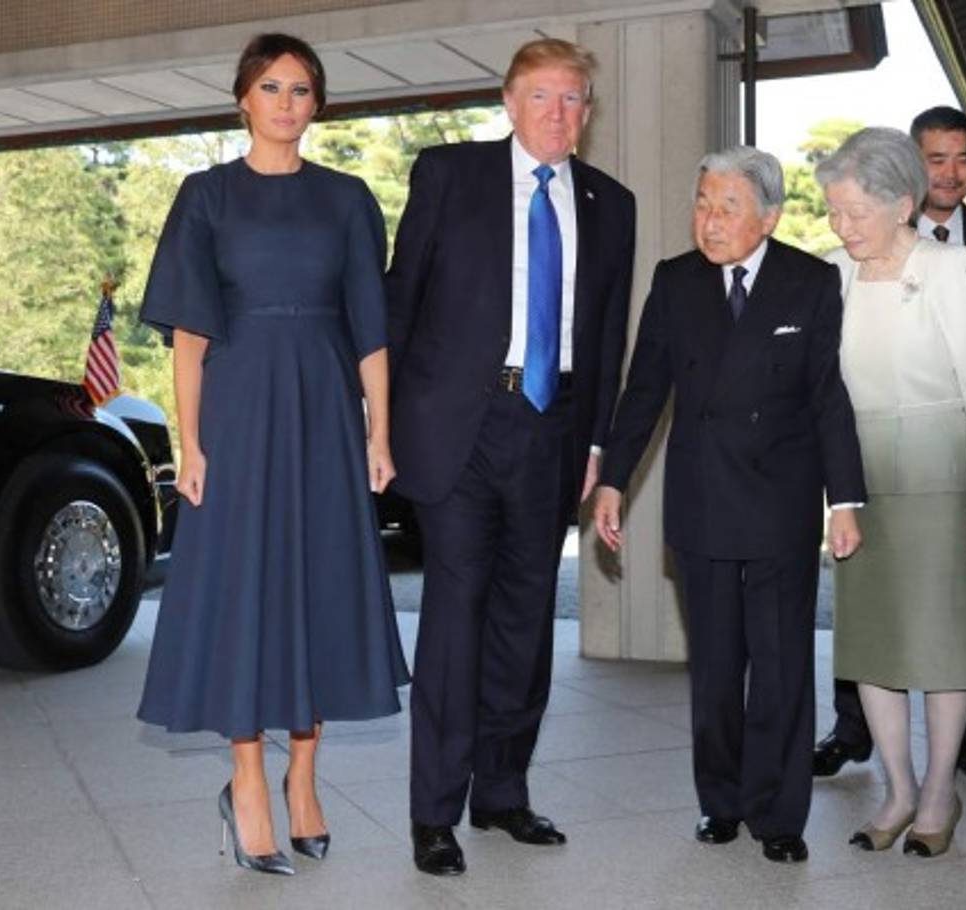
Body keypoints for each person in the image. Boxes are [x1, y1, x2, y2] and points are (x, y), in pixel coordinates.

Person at [137, 33, 409, 876]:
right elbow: (187, 335)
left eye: (301, 89)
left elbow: (371, 328)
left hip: (325, 411)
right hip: (240, 410)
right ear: (243, 99)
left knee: (319, 587)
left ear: (317, 104)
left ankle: (305, 781)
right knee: (248, 594)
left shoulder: (348, 199)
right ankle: (248, 782)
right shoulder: (206, 196)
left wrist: (380, 431)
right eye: (271, 86)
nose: (286, 102)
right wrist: (193, 444)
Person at [386, 38, 636, 876]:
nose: (558, 114)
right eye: (542, 97)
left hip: (553, 429)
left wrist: (599, 445)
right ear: (510, 101)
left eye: (574, 100)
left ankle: (501, 793)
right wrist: (379, 427)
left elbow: (607, 338)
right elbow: (400, 302)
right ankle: (434, 811)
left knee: (527, 621)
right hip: (457, 425)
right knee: (455, 617)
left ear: (588, 112)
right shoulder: (447, 175)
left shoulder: (613, 203)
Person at [593, 146, 866, 864]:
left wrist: (846, 499)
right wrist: (614, 479)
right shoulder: (675, 281)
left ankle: (779, 815)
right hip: (703, 498)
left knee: (779, 664)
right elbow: (644, 388)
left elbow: (828, 397)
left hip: (781, 500)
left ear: (769, 217)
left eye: (729, 207)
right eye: (703, 204)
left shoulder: (810, 280)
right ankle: (719, 802)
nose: (710, 222)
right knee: (714, 666)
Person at [814, 105, 966, 784]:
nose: (841, 224)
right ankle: (895, 785)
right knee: (871, 641)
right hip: (862, 479)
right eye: (835, 210)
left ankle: (941, 788)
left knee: (949, 639)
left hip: (944, 472)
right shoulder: (831, 272)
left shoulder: (959, 265)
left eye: (855, 210)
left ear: (897, 203)